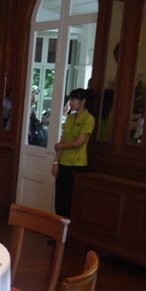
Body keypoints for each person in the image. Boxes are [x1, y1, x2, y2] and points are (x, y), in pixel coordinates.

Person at [52, 88, 95, 218]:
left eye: (73, 100)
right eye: (70, 100)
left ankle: (67, 234)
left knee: (70, 201)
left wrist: (61, 145)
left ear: (83, 101)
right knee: (59, 199)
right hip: (63, 163)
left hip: (76, 164)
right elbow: (63, 138)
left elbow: (79, 142)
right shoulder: (70, 118)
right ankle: (57, 232)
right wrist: (55, 162)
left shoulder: (89, 118)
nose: (70, 103)